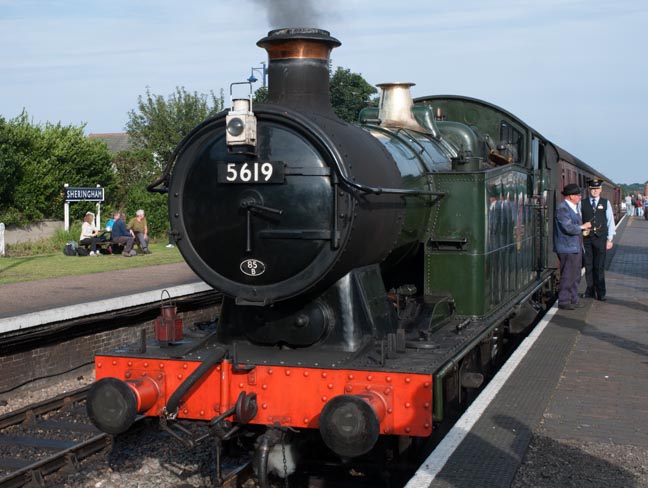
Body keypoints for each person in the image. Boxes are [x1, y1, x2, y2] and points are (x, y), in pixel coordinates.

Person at [554, 183, 591, 310]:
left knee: (575, 274)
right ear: (571, 196)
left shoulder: (574, 207)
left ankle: (573, 298)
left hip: (575, 246)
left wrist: (582, 230)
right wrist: (582, 227)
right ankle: (564, 300)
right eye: (578, 195)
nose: (580, 197)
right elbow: (568, 227)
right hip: (567, 247)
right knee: (568, 274)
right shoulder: (562, 208)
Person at [581, 178, 616, 301]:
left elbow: (611, 221)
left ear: (600, 189)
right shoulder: (582, 203)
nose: (594, 191)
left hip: (601, 239)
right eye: (592, 189)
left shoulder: (606, 203)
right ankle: (590, 289)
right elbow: (579, 220)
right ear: (589, 190)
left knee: (599, 265)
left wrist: (610, 239)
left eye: (596, 189)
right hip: (587, 239)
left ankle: (601, 292)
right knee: (589, 265)